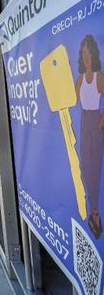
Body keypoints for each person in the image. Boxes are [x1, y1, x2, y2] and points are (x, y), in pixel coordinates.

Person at [75, 35, 104, 239]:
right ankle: (93, 209)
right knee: (85, 167)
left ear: (93, 54)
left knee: (95, 166)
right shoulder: (79, 79)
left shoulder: (99, 76)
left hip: (95, 120)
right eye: (83, 53)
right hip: (84, 122)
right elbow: (72, 98)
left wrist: (101, 122)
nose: (86, 56)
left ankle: (94, 212)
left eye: (88, 52)